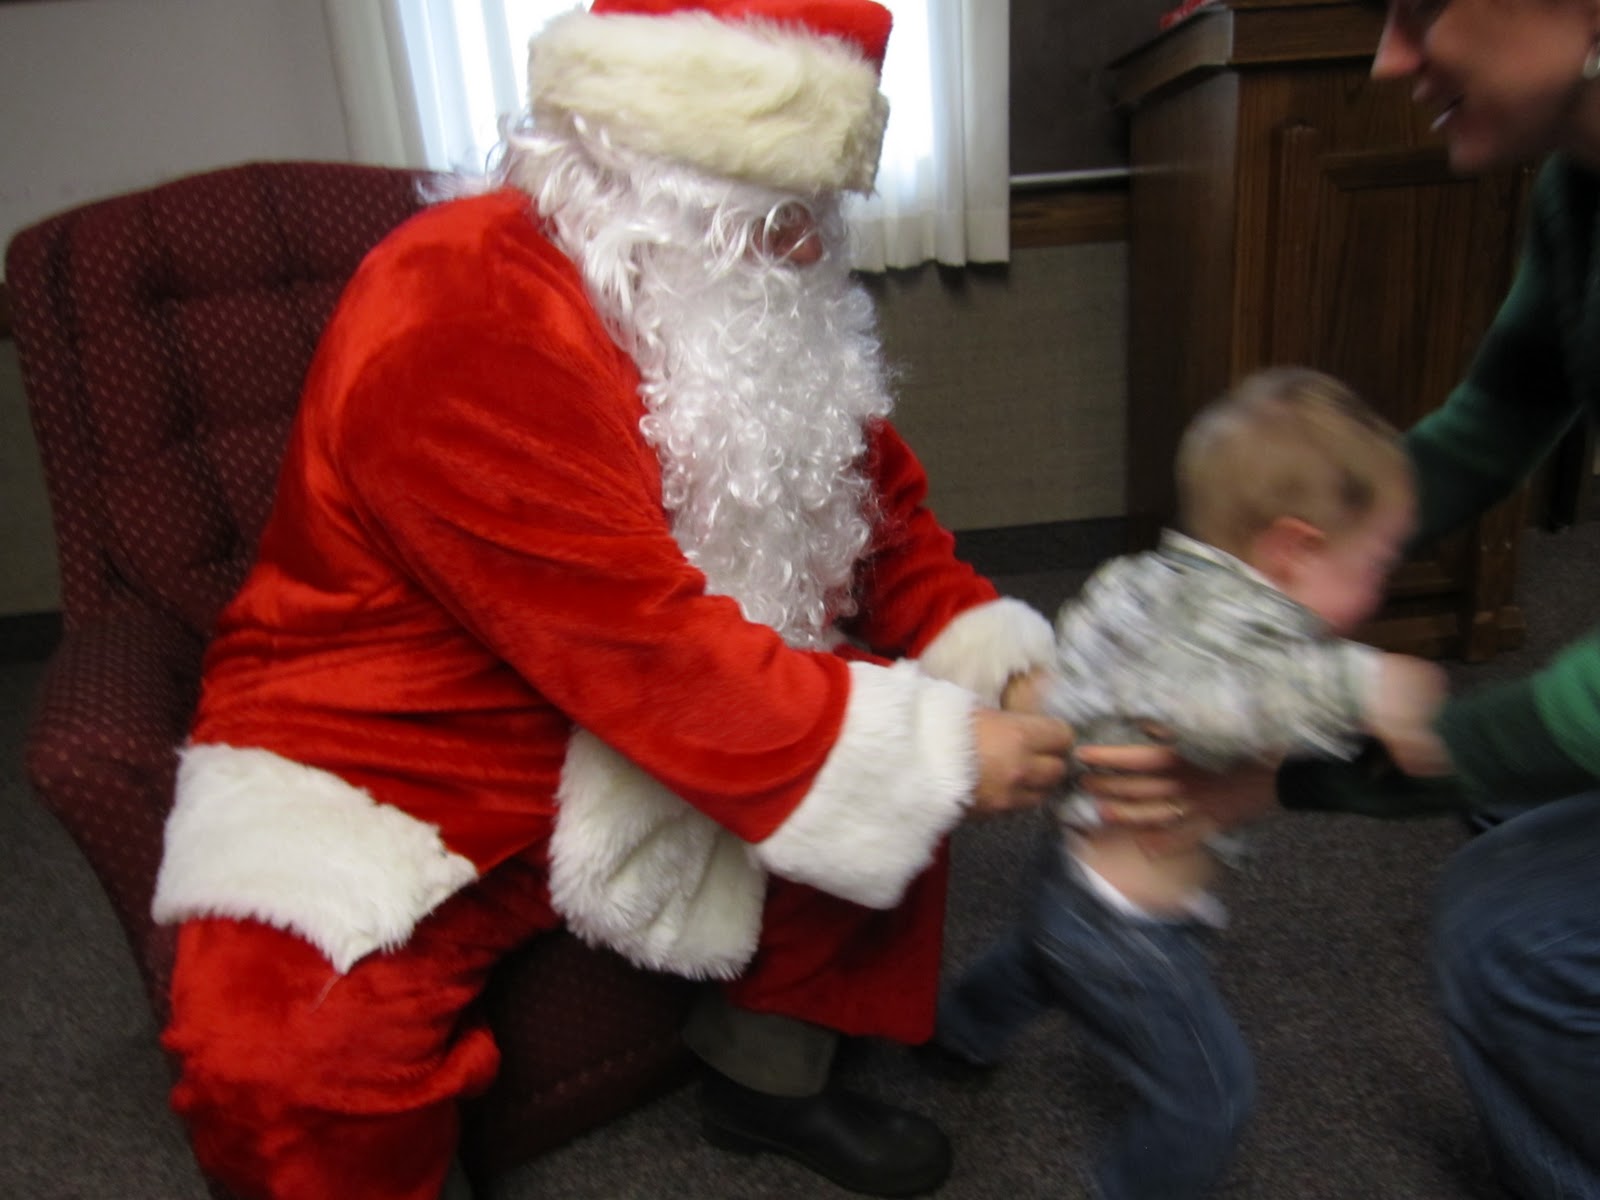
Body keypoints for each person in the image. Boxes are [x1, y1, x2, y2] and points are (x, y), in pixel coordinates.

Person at [146, 3, 1083, 1198]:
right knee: (278, 1053)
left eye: (820, 212)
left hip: (664, 688)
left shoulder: (753, 315)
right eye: (770, 212)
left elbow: (881, 524)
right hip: (412, 736)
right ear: (632, 171)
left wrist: (991, 662)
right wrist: (935, 750)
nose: (806, 252)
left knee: (896, 747)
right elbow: (640, 645)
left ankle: (768, 1082)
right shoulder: (460, 305)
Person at [1130, 3, 1600, 1197]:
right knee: (1512, 803)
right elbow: (1492, 419)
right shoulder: (1579, 186)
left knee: (1506, 927)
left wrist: (1294, 771)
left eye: (1417, 9)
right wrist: (1255, 584)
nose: (1389, 58)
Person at [931, 368, 1449, 1200]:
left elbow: (1083, 671)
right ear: (1295, 550)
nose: (1381, 586)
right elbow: (1204, 711)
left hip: (1070, 868)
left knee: (1036, 955)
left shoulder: (1143, 580)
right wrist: (1363, 687)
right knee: (1211, 1097)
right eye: (1376, 561)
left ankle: (958, 1033)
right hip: (1131, 928)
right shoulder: (1247, 636)